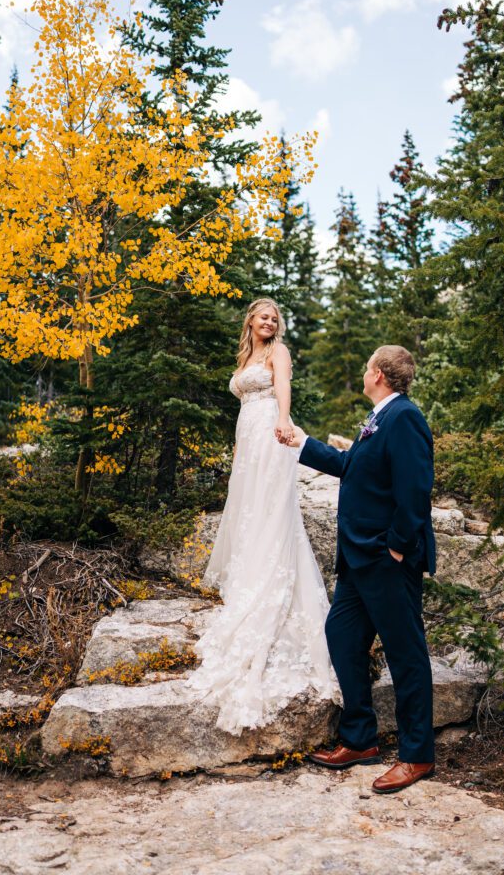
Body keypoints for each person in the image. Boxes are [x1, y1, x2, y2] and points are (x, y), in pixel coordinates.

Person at [281, 345, 436, 794]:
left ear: (381, 375)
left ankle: (417, 755)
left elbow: (415, 488)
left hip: (385, 559)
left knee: (406, 654)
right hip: (357, 560)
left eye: (367, 367)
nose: (363, 374)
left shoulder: (404, 418)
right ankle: (360, 739)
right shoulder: (380, 418)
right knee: (343, 637)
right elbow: (352, 467)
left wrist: (398, 548)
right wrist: (303, 444)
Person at [188, 298, 338, 734]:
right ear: (251, 321)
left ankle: (271, 585)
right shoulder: (245, 356)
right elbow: (242, 407)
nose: (269, 322)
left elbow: (282, 389)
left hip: (272, 431)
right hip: (247, 438)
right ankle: (248, 581)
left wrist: (286, 421)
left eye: (275, 318)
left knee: (272, 512)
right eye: (263, 316)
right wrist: (238, 452)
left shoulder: (278, 353)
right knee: (248, 510)